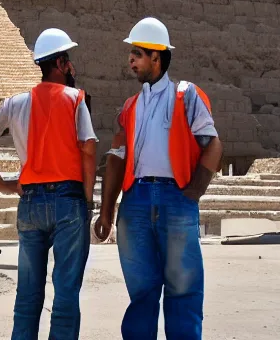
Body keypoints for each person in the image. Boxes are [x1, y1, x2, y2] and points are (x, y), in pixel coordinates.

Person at [94, 17, 223, 340]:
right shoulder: (129, 107)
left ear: (157, 57)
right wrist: (107, 211)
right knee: (142, 291)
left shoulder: (187, 96)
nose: (131, 60)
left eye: (137, 53)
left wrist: (192, 193)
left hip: (175, 198)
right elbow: (116, 159)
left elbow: (213, 144)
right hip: (135, 201)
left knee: (183, 289)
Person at [0, 28, 97, 340]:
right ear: (58, 62)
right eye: (67, 60)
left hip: (29, 202)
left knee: (28, 295)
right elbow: (89, 149)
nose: (71, 66)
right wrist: (87, 199)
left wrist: (2, 183)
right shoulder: (75, 99)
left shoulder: (15, 104)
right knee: (66, 294)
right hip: (68, 201)